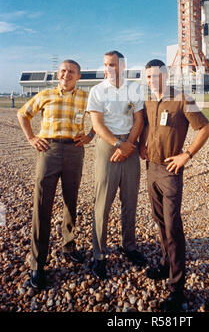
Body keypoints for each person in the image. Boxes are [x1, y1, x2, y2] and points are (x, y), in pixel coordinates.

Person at [139, 59, 209, 312]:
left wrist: (187, 155)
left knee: (172, 227)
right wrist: (141, 144)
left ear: (166, 74)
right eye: (148, 77)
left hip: (171, 170)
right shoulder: (148, 100)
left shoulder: (183, 98)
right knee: (159, 221)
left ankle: (177, 289)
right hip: (151, 169)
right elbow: (147, 125)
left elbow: (205, 128)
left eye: (156, 75)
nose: (152, 80)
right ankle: (165, 264)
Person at [17, 60, 95, 289]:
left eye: (71, 71)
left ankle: (69, 246)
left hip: (74, 151)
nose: (66, 74)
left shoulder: (86, 97)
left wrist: (90, 136)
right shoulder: (46, 94)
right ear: (57, 74)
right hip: (48, 150)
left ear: (79, 76)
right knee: (42, 204)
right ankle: (38, 263)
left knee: (71, 201)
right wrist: (31, 138)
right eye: (62, 71)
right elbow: (23, 114)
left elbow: (102, 117)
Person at [87, 50, 145, 279]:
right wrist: (117, 145)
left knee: (130, 200)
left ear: (122, 66)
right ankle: (99, 255)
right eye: (105, 65)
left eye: (112, 64)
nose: (108, 68)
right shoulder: (97, 90)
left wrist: (129, 144)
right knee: (102, 202)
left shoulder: (134, 88)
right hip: (107, 145)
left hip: (130, 145)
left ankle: (128, 246)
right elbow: (97, 123)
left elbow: (139, 118)